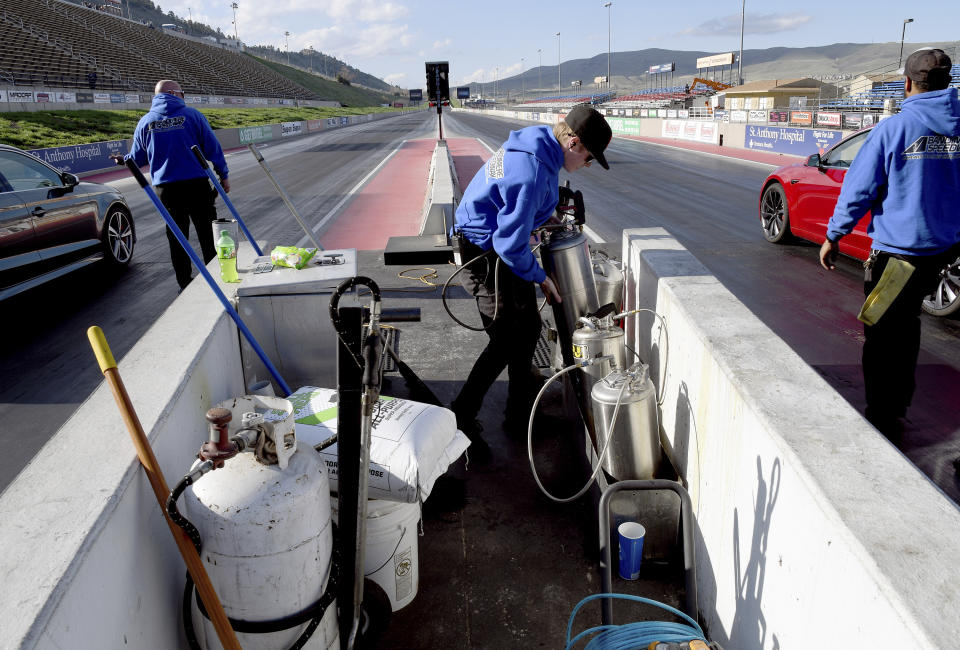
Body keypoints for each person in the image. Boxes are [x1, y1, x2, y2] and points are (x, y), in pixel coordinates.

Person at [450, 105, 612, 461]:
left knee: (529, 328)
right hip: (485, 251)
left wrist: (544, 215)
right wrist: (541, 277)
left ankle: (520, 416)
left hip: (497, 242)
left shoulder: (535, 143)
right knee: (507, 338)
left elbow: (506, 193)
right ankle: (459, 418)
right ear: (573, 141)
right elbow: (509, 243)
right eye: (588, 158)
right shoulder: (532, 171)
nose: (586, 167)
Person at [820, 47, 960, 440]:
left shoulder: (893, 129)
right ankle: (897, 402)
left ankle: (885, 413)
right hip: (944, 251)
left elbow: (859, 189)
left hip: (900, 254)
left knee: (882, 333)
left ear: (908, 83)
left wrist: (834, 234)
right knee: (907, 323)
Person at [113, 80, 230, 290]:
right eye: (182, 93)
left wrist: (124, 159)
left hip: (167, 190)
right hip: (196, 184)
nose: (183, 96)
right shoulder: (193, 115)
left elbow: (137, 159)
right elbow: (213, 147)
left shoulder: (146, 121)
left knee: (177, 237)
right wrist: (223, 174)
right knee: (207, 231)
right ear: (174, 93)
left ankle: (185, 283)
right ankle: (218, 277)